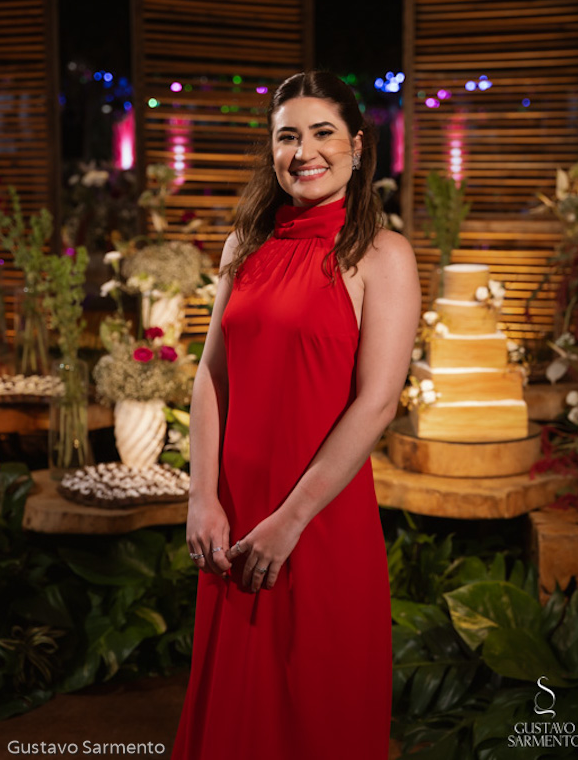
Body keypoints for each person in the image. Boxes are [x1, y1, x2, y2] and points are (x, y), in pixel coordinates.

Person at [171, 71, 421, 760]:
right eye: (287, 137)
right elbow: (212, 376)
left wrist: (291, 520)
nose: (303, 151)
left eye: (322, 133)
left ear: (358, 146)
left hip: (319, 516)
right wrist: (201, 497)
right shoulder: (244, 244)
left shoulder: (383, 256)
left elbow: (377, 402)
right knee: (236, 708)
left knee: (314, 705)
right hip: (232, 512)